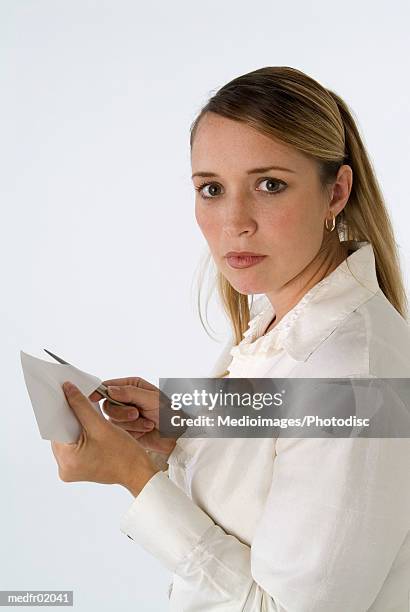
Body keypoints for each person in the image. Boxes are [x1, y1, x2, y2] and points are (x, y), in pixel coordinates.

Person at [51, 66, 410, 611]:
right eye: (212, 189)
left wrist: (134, 476)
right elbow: (286, 450)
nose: (234, 221)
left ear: (335, 191)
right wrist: (183, 431)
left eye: (269, 185)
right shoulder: (277, 320)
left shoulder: (353, 371)